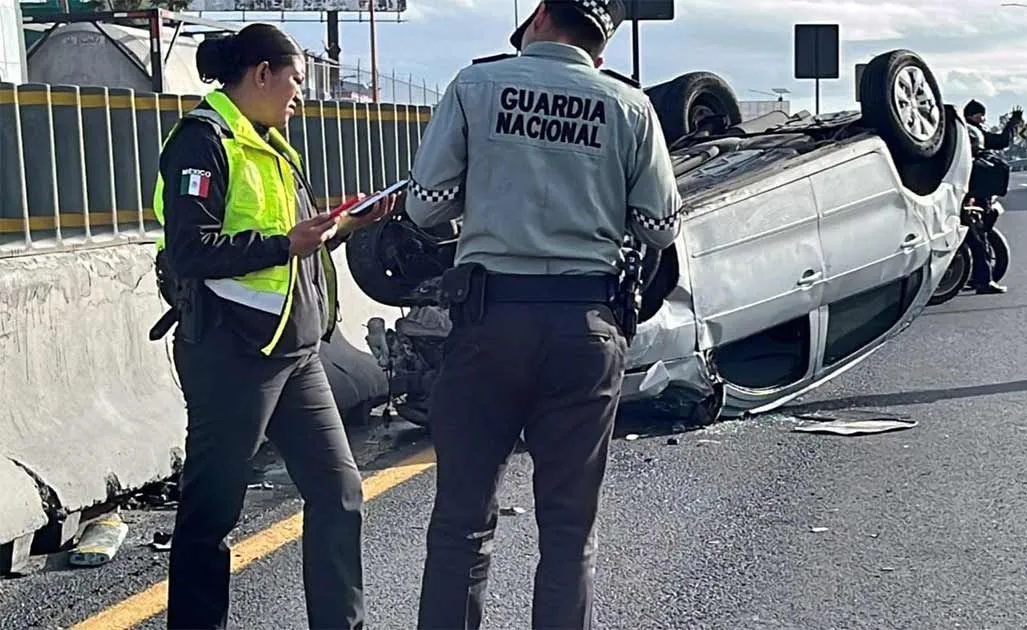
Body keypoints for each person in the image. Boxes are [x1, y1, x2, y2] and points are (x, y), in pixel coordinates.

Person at [403, 1, 680, 627]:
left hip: (488, 324)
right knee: (567, 530)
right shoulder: (628, 104)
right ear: (600, 48)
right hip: (585, 331)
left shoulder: (476, 85)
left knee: (461, 524)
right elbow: (660, 226)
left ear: (538, 19)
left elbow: (425, 207)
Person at [150, 23, 396, 630]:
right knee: (212, 512)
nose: (299, 95)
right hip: (233, 351)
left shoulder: (273, 143)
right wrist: (285, 243)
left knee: (340, 495)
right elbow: (191, 247)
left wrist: (346, 225)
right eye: (295, 80)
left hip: (296, 351)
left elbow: (297, 243)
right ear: (261, 73)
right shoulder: (202, 141)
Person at [961, 99, 1020, 294]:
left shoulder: (964, 132)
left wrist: (1012, 124)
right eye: (979, 114)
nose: (982, 118)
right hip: (971, 197)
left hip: (967, 195)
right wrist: (1013, 124)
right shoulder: (968, 134)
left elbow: (1000, 141)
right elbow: (1001, 141)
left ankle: (978, 277)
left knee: (979, 235)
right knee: (978, 237)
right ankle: (983, 281)